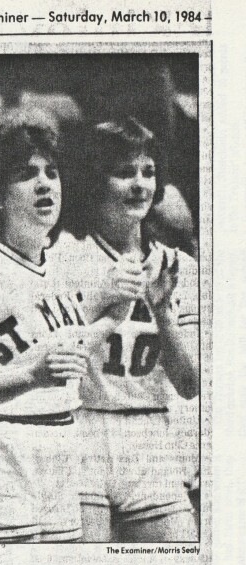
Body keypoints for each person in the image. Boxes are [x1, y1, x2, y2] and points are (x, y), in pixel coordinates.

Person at [0, 110, 130, 543]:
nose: (45, 183)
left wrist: (113, 317)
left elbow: (64, 346)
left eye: (51, 171)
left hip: (62, 440)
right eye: (26, 174)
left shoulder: (66, 263)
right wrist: (30, 376)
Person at [55, 117, 199, 542]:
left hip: (151, 437)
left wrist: (162, 313)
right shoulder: (64, 257)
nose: (140, 184)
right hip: (82, 430)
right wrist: (97, 301)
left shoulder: (178, 267)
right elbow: (48, 358)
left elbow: (190, 384)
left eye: (148, 172)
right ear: (95, 180)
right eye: (124, 172)